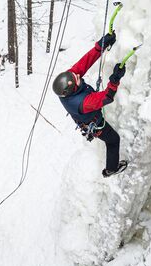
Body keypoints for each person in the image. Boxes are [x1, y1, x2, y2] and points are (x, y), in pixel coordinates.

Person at [52, 33, 128, 177]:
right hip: (94, 123)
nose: (78, 75)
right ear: (72, 89)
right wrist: (115, 79)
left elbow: (83, 64)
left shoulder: (68, 82)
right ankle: (111, 169)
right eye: (77, 79)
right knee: (113, 140)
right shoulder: (83, 103)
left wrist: (100, 46)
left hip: (86, 113)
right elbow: (107, 97)